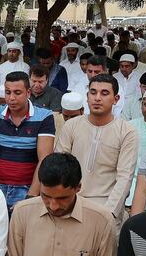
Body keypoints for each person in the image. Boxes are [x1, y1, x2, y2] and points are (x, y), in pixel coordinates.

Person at [55, 74, 138, 224]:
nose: (97, 98)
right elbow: (59, 167)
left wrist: (109, 213)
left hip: (107, 206)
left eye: (104, 93)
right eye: (93, 92)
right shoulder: (71, 125)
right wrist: (64, 203)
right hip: (72, 202)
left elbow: (125, 177)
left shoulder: (126, 131)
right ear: (87, 97)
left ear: (116, 99)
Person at [0, 71, 56, 209]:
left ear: (28, 93)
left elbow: (45, 158)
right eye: (8, 92)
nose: (11, 98)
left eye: (17, 93)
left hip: (27, 189)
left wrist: (31, 196)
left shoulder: (44, 116)